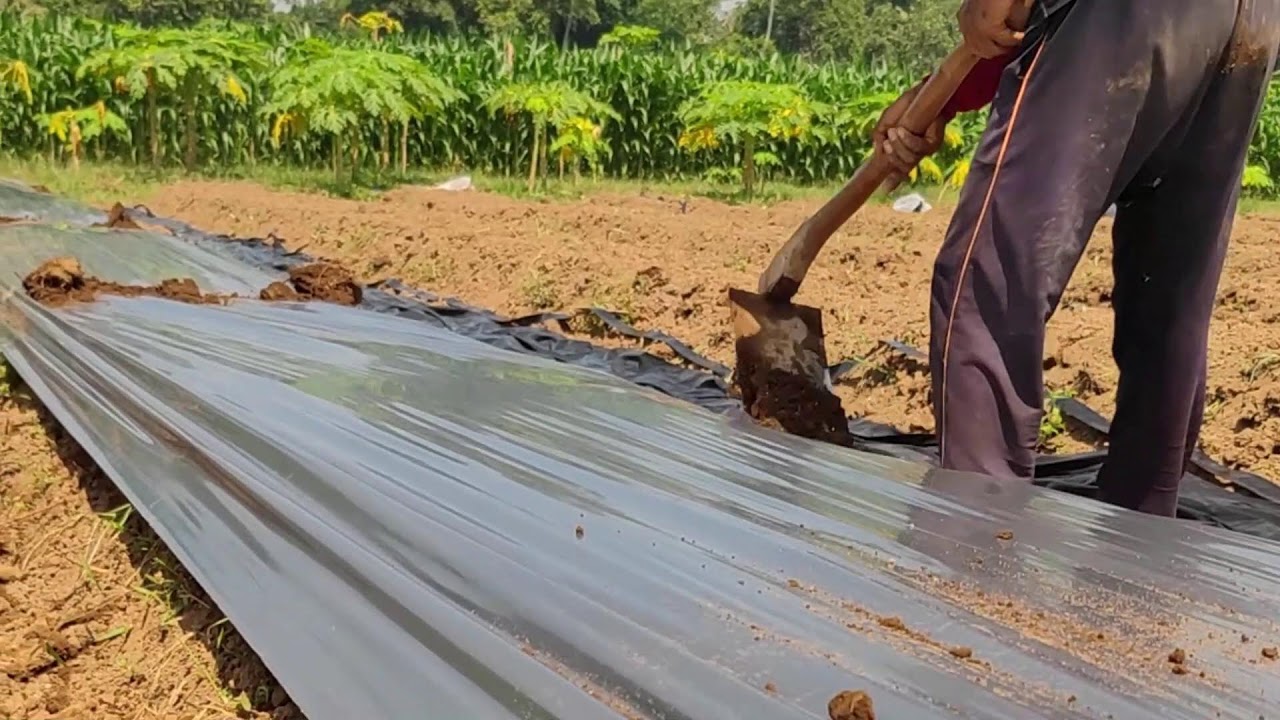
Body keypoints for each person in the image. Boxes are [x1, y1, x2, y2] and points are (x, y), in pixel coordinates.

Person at [871, 0, 1280, 517]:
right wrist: (940, 99)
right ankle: (1145, 540)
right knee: (1169, 300)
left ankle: (975, 547)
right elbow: (1027, 30)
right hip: (1250, 20)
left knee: (990, 284)